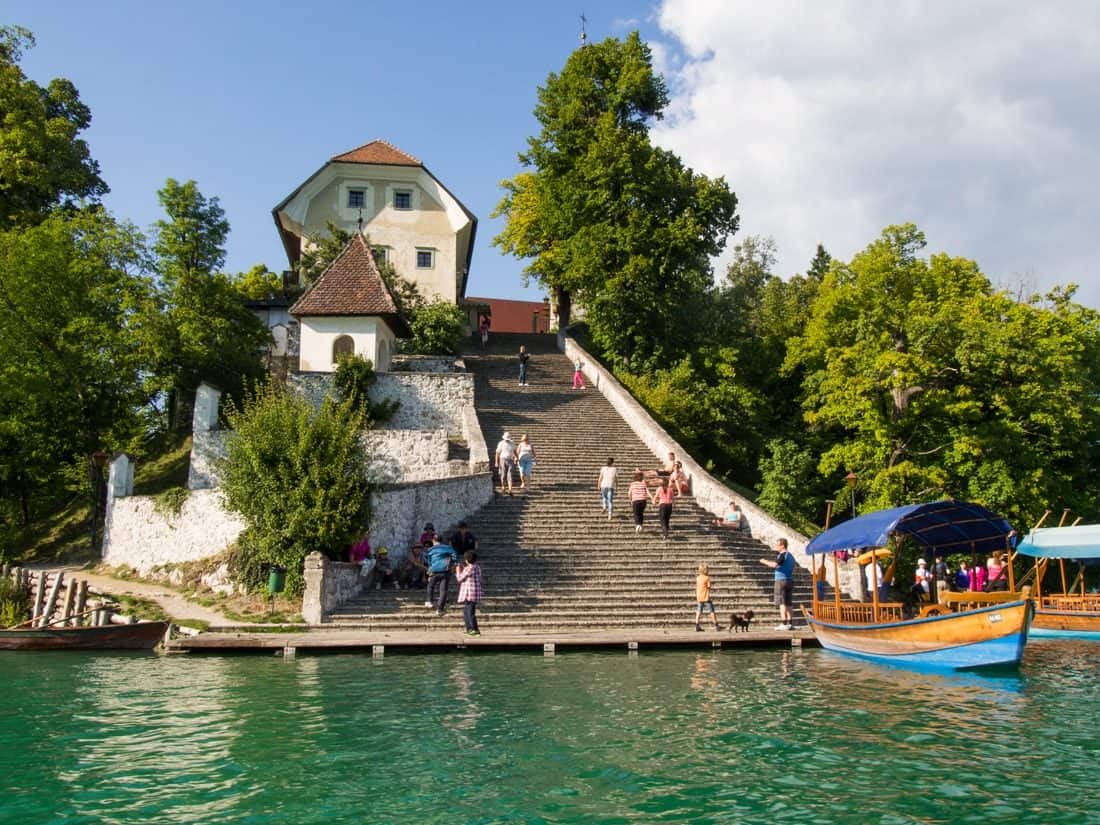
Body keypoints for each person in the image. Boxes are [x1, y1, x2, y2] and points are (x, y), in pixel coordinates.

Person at [760, 538, 795, 630]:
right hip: (789, 580)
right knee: (788, 603)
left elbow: (774, 565)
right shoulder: (791, 556)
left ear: (782, 546)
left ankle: (783, 623)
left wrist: (764, 561)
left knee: (781, 602)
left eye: (777, 545)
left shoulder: (782, 555)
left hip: (781, 581)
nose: (776, 547)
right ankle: (790, 623)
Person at [424, 534, 459, 615]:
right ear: (441, 540)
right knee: (443, 590)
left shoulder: (430, 550)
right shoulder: (448, 548)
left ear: (433, 540)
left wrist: (430, 571)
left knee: (430, 586)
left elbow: (429, 561)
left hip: (434, 570)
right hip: (445, 571)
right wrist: (453, 563)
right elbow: (455, 555)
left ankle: (429, 601)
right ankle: (439, 609)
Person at [455, 550, 483, 636]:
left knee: (470, 612)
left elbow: (460, 579)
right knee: (466, 612)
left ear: (466, 559)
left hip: (470, 593)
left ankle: (474, 629)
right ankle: (469, 628)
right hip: (472, 592)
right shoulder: (476, 567)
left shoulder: (470, 568)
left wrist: (458, 571)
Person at [694, 562, 721, 632]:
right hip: (706, 597)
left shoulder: (698, 578)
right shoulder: (707, 578)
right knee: (712, 611)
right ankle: (716, 625)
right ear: (705, 570)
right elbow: (708, 588)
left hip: (699, 597)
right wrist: (708, 596)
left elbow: (697, 587)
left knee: (699, 611)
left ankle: (697, 625)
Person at [651, 477, 675, 541]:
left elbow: (655, 497)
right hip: (669, 505)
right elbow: (673, 498)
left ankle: (665, 532)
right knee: (667, 519)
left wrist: (653, 502)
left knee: (662, 520)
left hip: (663, 505)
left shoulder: (659, 489)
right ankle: (666, 532)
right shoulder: (671, 489)